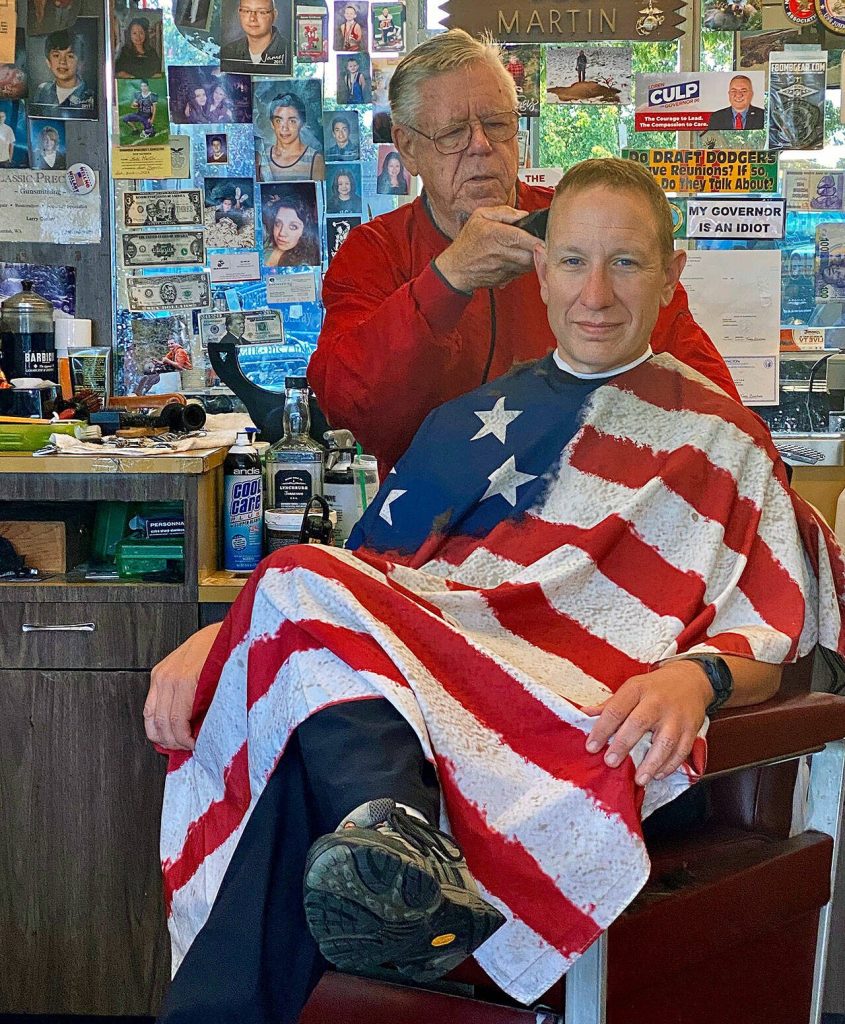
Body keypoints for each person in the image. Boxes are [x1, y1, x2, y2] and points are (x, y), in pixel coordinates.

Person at [146, 158, 845, 1024]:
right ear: (538, 272)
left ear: (672, 275)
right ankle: (395, 836)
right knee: (296, 612)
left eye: (625, 262)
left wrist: (689, 678)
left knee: (296, 698)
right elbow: (369, 586)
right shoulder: (469, 426)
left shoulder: (721, 438)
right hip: (446, 706)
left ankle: (394, 834)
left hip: (589, 725)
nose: (595, 291)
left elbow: (765, 633)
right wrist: (226, 634)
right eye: (572, 261)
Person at [309, 29, 742, 478]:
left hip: (594, 517)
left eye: (497, 124)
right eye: (454, 133)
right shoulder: (374, 253)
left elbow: (712, 401)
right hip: (434, 529)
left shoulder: (582, 224)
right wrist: (447, 280)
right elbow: (348, 405)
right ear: (408, 148)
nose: (481, 145)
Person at [256, 92, 325, 181]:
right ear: (272, 124)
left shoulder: (315, 160)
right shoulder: (262, 158)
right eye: (278, 121)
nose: (285, 128)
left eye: (292, 121)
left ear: (302, 123)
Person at [33, 29, 95, 115]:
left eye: (70, 56)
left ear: (80, 62)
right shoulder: (42, 91)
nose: (62, 61)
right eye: (56, 55)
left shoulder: (90, 96)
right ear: (48, 62)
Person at [219, 0, 289, 70]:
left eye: (261, 12)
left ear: (274, 15)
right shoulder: (228, 52)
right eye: (246, 11)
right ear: (239, 13)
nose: (252, 18)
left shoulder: (289, 52)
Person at [262, 187, 321, 267]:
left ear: (304, 231)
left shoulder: (303, 266)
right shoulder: (265, 245)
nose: (282, 233)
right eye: (278, 223)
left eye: (293, 227)